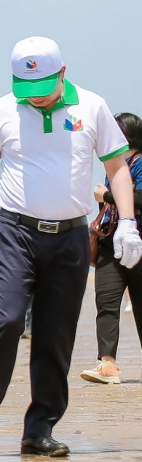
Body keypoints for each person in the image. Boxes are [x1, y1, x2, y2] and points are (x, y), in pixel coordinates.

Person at [0, 38, 140, 459]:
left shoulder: (91, 107)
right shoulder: (1, 111)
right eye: (26, 86)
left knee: (56, 334)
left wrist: (127, 222)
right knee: (9, 319)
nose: (34, 95)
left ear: (63, 73)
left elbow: (117, 168)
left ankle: (39, 429)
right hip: (16, 232)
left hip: (70, 237)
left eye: (43, 84)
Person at [81, 113, 142, 384]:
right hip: (109, 245)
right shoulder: (113, 165)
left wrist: (105, 195)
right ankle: (107, 364)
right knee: (106, 302)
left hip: (138, 242)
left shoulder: (139, 163)